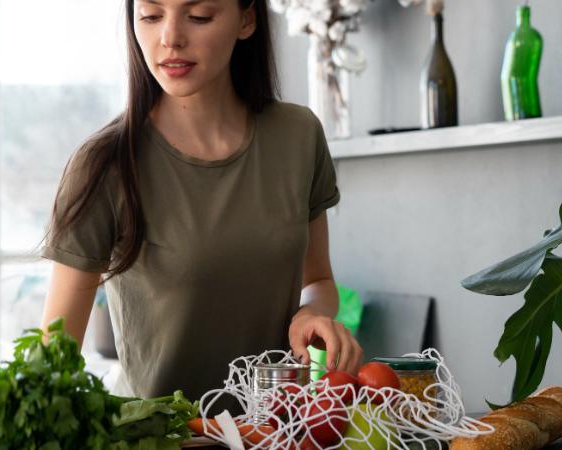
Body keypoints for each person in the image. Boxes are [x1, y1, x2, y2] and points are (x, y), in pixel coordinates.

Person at [40, 0, 363, 404]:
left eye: (198, 16)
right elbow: (52, 363)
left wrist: (312, 314)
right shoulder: (104, 164)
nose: (170, 38)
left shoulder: (299, 135)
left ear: (246, 20)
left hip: (274, 428)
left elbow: (318, 282)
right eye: (151, 16)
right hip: (156, 433)